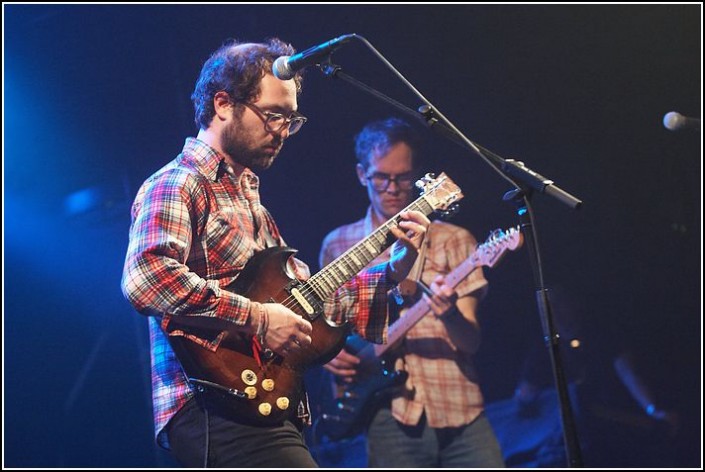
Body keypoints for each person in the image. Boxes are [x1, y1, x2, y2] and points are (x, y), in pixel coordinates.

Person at [120, 39, 430, 468]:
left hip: (265, 404)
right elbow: (147, 279)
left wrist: (391, 273)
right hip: (216, 408)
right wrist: (260, 318)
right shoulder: (178, 183)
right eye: (273, 115)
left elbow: (307, 305)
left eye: (292, 119)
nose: (283, 131)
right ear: (223, 103)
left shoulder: (253, 204)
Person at [317, 118, 505, 467]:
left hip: (459, 404)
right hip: (387, 412)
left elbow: (471, 342)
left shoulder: (455, 239)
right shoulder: (338, 245)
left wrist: (448, 312)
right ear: (362, 174)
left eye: (403, 177)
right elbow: (327, 328)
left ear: (417, 176)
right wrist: (329, 356)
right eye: (381, 177)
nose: (392, 188)